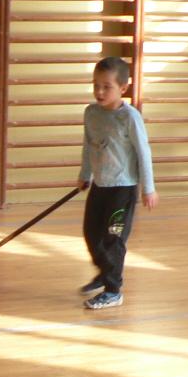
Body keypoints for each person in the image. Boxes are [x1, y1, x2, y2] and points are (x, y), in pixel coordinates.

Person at [77, 56, 157, 309]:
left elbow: (143, 152)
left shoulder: (129, 117)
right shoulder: (91, 113)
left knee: (113, 239)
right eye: (96, 85)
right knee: (92, 234)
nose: (99, 92)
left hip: (123, 188)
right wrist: (85, 174)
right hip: (100, 185)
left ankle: (113, 290)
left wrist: (148, 188)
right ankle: (104, 272)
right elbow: (88, 145)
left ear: (123, 88)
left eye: (106, 86)